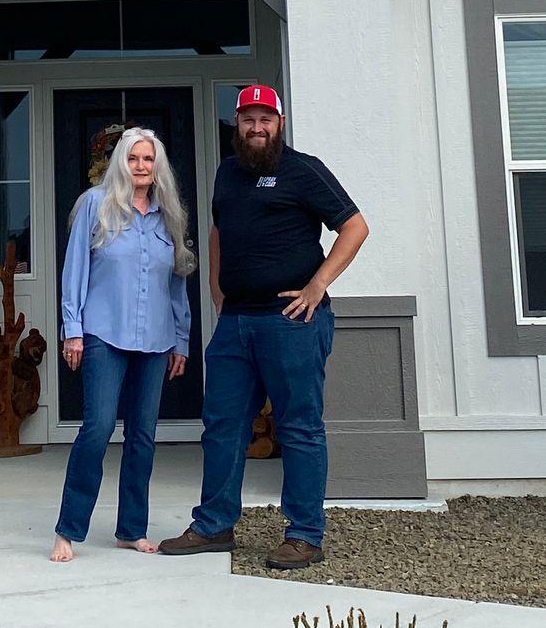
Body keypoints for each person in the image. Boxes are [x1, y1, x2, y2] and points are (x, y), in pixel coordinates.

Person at [160, 86, 368, 571]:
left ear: (280, 122)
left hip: (291, 323)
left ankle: (304, 535)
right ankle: (213, 525)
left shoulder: (304, 169)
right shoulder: (227, 172)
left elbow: (355, 226)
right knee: (223, 425)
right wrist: (216, 289)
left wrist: (317, 285)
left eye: (265, 119)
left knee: (298, 428)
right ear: (237, 123)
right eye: (248, 120)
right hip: (235, 323)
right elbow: (218, 230)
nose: (256, 128)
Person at [50, 127, 193, 562]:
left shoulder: (168, 214)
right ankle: (67, 529)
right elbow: (75, 269)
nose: (141, 166)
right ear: (120, 163)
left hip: (155, 339)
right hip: (102, 334)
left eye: (149, 159)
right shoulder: (97, 205)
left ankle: (131, 529)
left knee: (143, 436)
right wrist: (71, 329)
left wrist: (182, 339)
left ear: (158, 166)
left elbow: (176, 283)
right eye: (134, 158)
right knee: (96, 430)